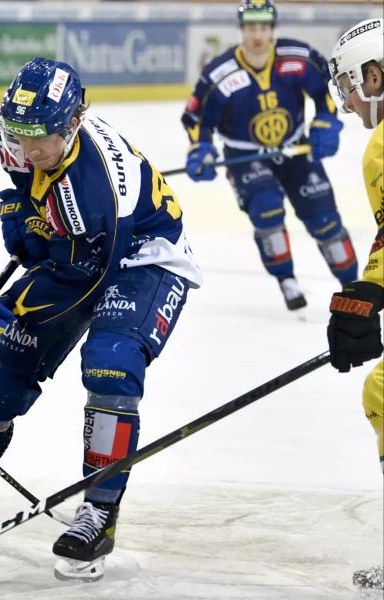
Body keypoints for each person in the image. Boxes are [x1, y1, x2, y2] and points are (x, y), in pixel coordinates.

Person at [0, 57, 203, 582]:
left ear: (73, 123)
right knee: (3, 378)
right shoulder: (24, 137)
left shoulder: (91, 191)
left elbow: (84, 278)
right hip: (84, 252)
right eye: (19, 136)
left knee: (111, 365)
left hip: (142, 259)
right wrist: (23, 212)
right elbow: (38, 204)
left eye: (41, 138)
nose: (28, 150)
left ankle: (99, 513)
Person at [181, 0, 357, 312]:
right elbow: (196, 120)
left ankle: (354, 286)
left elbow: (327, 92)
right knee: (267, 212)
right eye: (251, 28)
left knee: (325, 220)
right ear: (242, 30)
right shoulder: (219, 74)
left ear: (272, 28)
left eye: (263, 27)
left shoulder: (298, 58)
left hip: (296, 150)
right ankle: (286, 279)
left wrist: (326, 122)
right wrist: (201, 149)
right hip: (245, 157)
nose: (257, 35)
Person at [327, 17, 384, 591]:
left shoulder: (382, 146)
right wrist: (369, 288)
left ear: (376, 74)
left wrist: (369, 291)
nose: (347, 100)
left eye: (350, 84)